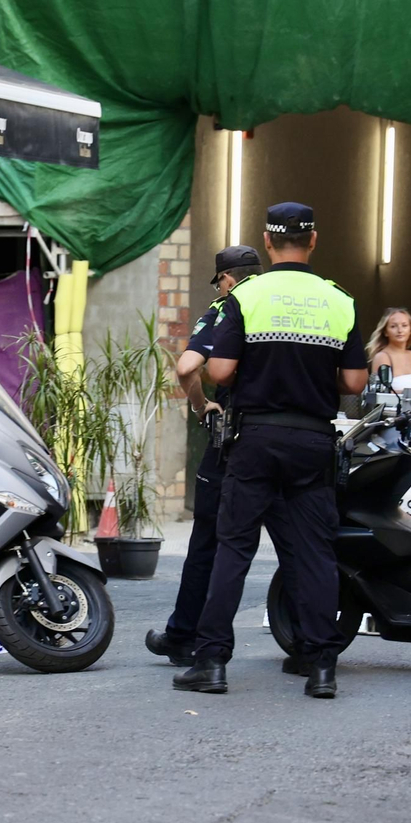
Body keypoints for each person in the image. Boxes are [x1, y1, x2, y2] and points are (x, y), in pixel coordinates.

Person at [174, 202, 369, 699]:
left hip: (255, 438)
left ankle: (212, 662)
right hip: (311, 440)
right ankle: (321, 664)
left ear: (267, 240)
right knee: (314, 553)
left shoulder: (248, 294)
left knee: (234, 547)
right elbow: (353, 381)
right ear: (313, 240)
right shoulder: (338, 299)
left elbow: (216, 373)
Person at [145, 244, 263, 666]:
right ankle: (312, 647)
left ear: (227, 278)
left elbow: (185, 367)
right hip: (294, 440)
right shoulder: (282, 306)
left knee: (210, 543)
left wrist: (200, 406)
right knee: (300, 545)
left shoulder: (225, 308)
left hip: (235, 441)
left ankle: (185, 637)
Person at [366, 307, 411, 392]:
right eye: (393, 326)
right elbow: (379, 394)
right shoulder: (382, 357)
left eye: (404, 325)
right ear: (385, 332)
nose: (400, 330)